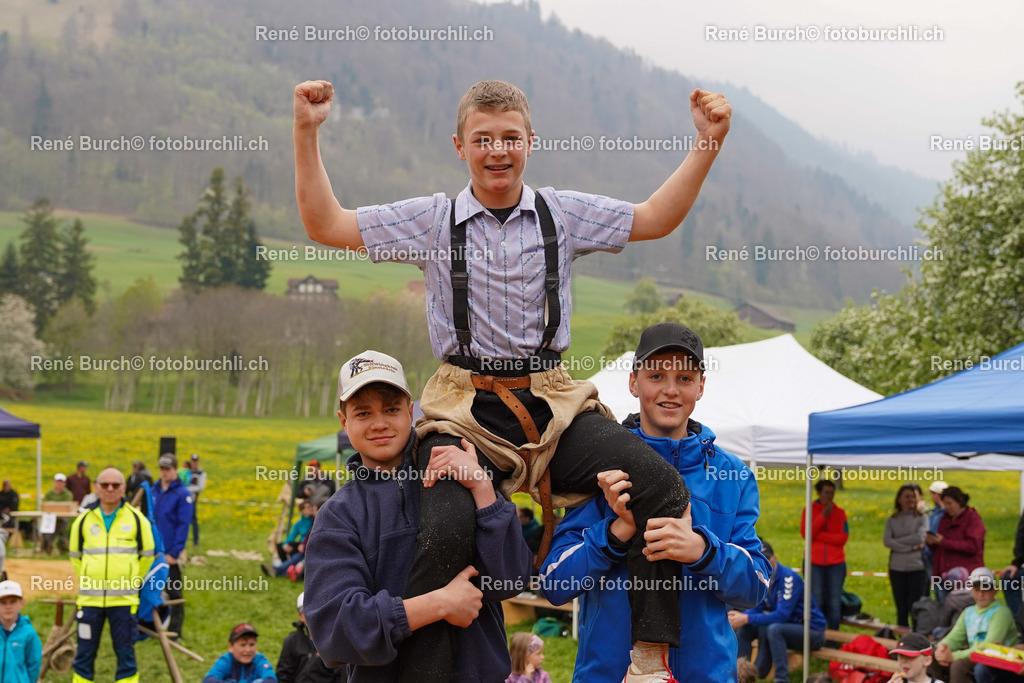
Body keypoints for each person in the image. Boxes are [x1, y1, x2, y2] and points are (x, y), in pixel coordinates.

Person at [295, 76, 731, 683]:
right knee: (446, 528)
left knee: (658, 485)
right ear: (459, 146)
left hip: (551, 399)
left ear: (531, 141)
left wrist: (707, 143)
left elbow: (655, 218)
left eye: (509, 138)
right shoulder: (431, 219)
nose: (496, 150)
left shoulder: (565, 213)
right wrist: (307, 132)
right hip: (464, 405)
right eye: (482, 139)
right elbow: (325, 224)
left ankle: (651, 660)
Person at [539, 322, 770, 682]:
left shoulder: (733, 475)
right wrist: (617, 532)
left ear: (701, 387)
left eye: (685, 378)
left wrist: (702, 550)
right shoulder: (600, 465)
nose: (670, 390)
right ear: (634, 382)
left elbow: (754, 586)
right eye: (657, 375)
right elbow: (555, 583)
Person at [303, 351, 532, 682]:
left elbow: (511, 579)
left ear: (411, 412)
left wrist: (482, 487)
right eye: (363, 412)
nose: (379, 423)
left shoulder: (455, 474)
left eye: (392, 409)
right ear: (344, 421)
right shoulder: (338, 517)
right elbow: (335, 633)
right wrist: (439, 604)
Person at [69, 467, 155, 683]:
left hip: (124, 602)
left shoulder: (137, 520)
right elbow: (75, 556)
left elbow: (147, 556)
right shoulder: (83, 521)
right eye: (105, 485)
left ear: (123, 488)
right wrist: (89, 579)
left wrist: (133, 581)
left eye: (115, 485)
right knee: (84, 655)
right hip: (90, 602)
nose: (110, 489)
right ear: (97, 487)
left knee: (125, 655)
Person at [732, 541, 827, 683]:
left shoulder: (789, 578)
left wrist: (745, 618)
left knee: (774, 628)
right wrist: (740, 618)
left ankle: (781, 679)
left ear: (775, 558)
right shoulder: (761, 577)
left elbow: (782, 615)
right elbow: (757, 608)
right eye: (760, 559)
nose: (764, 563)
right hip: (785, 628)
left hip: (813, 632)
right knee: (748, 627)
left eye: (767, 559)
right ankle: (741, 674)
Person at [928, 567, 1017, 683]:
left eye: (986, 589)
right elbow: (954, 637)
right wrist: (942, 649)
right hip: (975, 654)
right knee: (931, 656)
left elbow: (989, 647)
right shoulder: (968, 612)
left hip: (996, 658)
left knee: (959, 665)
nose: (981, 594)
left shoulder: (1001, 612)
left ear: (995, 590)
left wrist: (953, 656)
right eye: (976, 589)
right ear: (971, 590)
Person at [152, 453, 194, 640]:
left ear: (175, 470)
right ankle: (152, 626)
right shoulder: (153, 490)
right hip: (152, 550)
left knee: (174, 590)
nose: (164, 472)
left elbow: (183, 525)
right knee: (151, 588)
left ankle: (176, 631)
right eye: (162, 468)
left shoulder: (182, 494)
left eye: (168, 469)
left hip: (170, 552)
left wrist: (174, 552)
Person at [801, 478, 849, 631]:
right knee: (817, 599)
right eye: (826, 493)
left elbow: (843, 538)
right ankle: (816, 634)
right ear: (818, 493)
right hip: (814, 562)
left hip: (836, 563)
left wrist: (819, 536)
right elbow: (806, 533)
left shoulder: (840, 513)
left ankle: (833, 637)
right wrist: (823, 516)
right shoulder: (808, 510)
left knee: (834, 602)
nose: (829, 496)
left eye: (832, 493)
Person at [885, 483, 930, 627]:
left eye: (912, 496)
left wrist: (897, 543)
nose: (910, 499)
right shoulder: (892, 519)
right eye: (906, 496)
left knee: (915, 607)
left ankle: (917, 638)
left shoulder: (922, 518)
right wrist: (911, 547)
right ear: (899, 499)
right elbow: (887, 541)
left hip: (916, 567)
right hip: (896, 568)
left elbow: (920, 537)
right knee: (901, 608)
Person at [277, 592, 346, 683]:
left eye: (316, 610)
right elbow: (283, 674)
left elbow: (342, 676)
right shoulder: (291, 641)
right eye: (308, 612)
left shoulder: (334, 642)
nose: (313, 616)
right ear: (301, 616)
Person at [929, 487, 986, 592]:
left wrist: (944, 542)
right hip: (942, 575)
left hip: (964, 578)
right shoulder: (945, 518)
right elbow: (939, 546)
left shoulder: (973, 519)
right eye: (944, 504)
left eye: (949, 504)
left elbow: (973, 546)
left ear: (960, 502)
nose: (946, 507)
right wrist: (931, 542)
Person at [204, 623, 278, 683]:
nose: (248, 650)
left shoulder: (259, 660)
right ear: (231, 646)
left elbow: (271, 679)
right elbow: (208, 680)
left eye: (252, 645)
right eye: (242, 645)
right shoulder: (226, 660)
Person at [0, 579, 42, 683]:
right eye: (3, 602)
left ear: (21, 603)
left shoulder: (29, 633)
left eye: (13, 602)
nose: (8, 606)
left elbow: (34, 665)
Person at [925, 481, 949, 597]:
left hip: (939, 557)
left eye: (932, 494)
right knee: (936, 591)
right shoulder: (935, 511)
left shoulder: (946, 513)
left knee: (942, 591)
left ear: (937, 495)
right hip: (929, 555)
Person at [41, 473, 74, 554]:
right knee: (46, 526)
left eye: (61, 482)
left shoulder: (68, 494)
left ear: (64, 484)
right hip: (50, 518)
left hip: (62, 518)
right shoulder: (50, 493)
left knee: (60, 526)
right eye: (57, 482)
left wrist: (53, 506)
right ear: (54, 483)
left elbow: (67, 506)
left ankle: (58, 545)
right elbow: (44, 504)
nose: (59, 484)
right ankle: (46, 546)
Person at [183, 454, 207, 547]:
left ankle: (195, 542)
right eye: (193, 461)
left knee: (193, 520)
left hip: (192, 499)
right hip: (182, 498)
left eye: (196, 461)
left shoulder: (201, 473)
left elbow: (200, 487)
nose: (194, 463)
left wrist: (187, 489)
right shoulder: (186, 471)